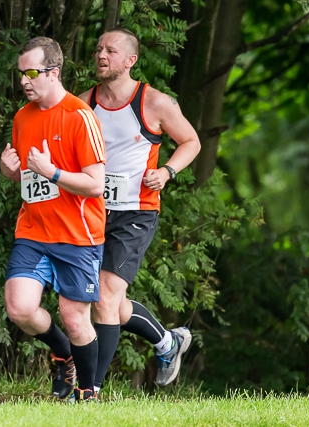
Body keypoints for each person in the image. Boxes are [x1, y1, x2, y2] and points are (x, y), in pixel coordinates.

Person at [78, 28, 201, 393]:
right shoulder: (83, 103)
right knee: (106, 302)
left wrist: (167, 171)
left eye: (111, 50)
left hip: (136, 212)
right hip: (92, 211)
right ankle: (168, 341)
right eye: (99, 49)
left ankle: (91, 391)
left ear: (130, 60)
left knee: (104, 295)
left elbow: (191, 141)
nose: (102, 55)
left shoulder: (155, 103)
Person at [0, 37, 106, 402]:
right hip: (33, 230)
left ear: (54, 72)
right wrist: (8, 171)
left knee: (76, 318)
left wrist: (54, 173)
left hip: (78, 235)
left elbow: (95, 185)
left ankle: (88, 392)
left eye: (32, 73)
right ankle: (63, 356)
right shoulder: (22, 117)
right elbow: (26, 176)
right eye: (21, 74)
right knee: (20, 308)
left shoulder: (80, 117)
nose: (24, 81)